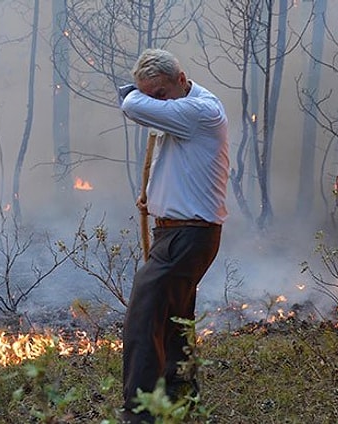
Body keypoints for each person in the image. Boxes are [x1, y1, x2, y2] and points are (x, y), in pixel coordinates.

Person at [117, 48, 229, 424]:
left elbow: (131, 106)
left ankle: (142, 414)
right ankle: (181, 399)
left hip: (188, 235)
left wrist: (137, 96)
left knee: (144, 316)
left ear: (181, 80)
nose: (155, 104)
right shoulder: (181, 112)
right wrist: (156, 193)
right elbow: (182, 167)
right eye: (150, 96)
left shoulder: (201, 111)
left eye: (160, 94)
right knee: (173, 320)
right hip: (179, 233)